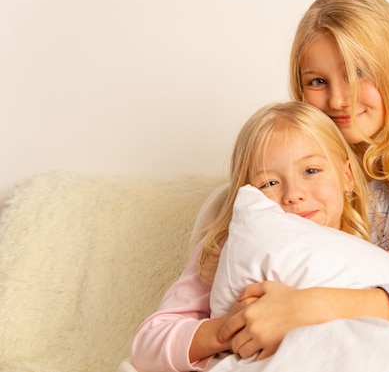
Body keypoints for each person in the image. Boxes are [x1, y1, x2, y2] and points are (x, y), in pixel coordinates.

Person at [219, 0, 389, 359]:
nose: (340, 99)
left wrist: (310, 307)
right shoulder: (282, 173)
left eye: (359, 74)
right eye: (318, 81)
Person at [130, 101, 372, 372]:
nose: (294, 193)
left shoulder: (371, 256)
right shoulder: (226, 250)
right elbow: (148, 343)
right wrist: (227, 329)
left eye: (311, 171)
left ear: (347, 176)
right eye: (269, 182)